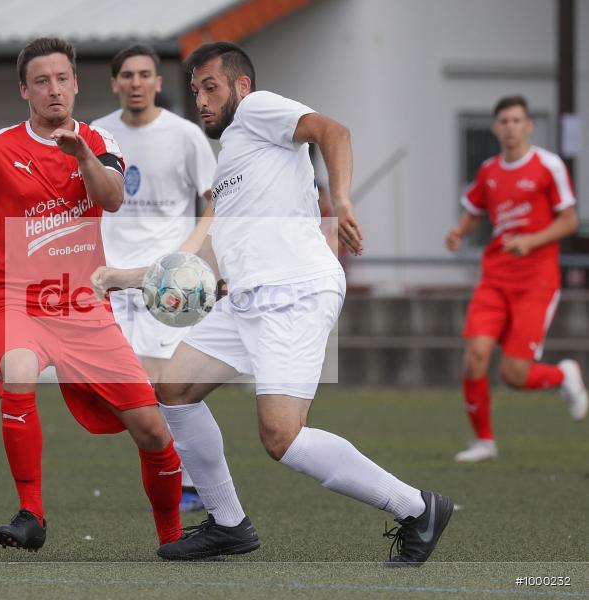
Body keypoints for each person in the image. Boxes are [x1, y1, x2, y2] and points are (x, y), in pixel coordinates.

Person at [92, 42, 454, 565]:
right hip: (246, 300)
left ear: (242, 87)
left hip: (294, 291)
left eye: (210, 87)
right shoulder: (230, 159)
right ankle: (229, 524)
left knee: (281, 437)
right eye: (194, 90)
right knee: (172, 390)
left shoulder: (259, 111)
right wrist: (127, 278)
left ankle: (418, 509)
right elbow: (208, 255)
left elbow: (334, 131)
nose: (200, 99)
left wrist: (344, 201)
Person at [0, 37, 183, 554]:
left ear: (76, 83)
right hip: (19, 304)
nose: (53, 89)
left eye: (62, 79)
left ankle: (174, 538)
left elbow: (110, 199)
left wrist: (84, 155)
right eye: (41, 81)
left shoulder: (99, 140)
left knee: (153, 431)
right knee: (18, 371)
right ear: (25, 90)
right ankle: (31, 515)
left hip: (85, 308)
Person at [92, 44, 217, 512]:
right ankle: (181, 477)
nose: (137, 82)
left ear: (158, 83)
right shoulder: (98, 134)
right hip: (111, 281)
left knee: (166, 386)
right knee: (132, 391)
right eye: (127, 75)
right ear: (115, 82)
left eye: (145, 74)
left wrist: (189, 255)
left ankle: (189, 482)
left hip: (167, 283)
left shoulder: (185, 135)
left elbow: (215, 200)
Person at [446, 95, 586, 463]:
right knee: (475, 356)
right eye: (503, 121)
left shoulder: (548, 166)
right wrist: (459, 232)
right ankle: (484, 443)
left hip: (536, 281)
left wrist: (531, 240)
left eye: (516, 120)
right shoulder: (489, 171)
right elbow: (474, 208)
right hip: (495, 278)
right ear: (495, 127)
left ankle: (562, 376)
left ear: (528, 126)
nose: (510, 127)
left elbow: (570, 220)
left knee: (514, 375)